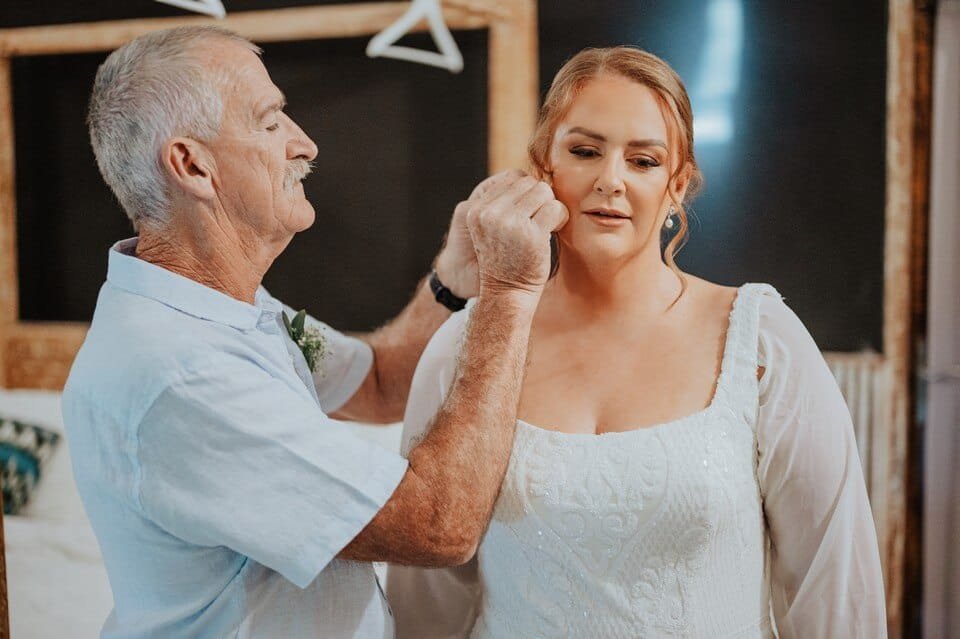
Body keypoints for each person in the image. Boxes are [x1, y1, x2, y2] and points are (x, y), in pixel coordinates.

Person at [62, 26, 567, 638]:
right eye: (270, 122)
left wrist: (452, 282)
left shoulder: (223, 308)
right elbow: (439, 525)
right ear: (192, 165)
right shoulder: (184, 375)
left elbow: (378, 385)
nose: (305, 143)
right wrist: (508, 294)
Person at [388, 46, 887, 638]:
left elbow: (834, 590)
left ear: (677, 186)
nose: (611, 180)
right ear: (544, 169)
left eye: (643, 161)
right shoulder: (465, 347)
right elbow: (424, 604)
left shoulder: (760, 342)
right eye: (584, 152)